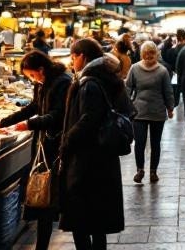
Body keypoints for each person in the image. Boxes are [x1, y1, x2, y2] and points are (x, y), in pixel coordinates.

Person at [0, 51, 72, 250]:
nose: (32, 79)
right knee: (43, 198)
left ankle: (45, 241)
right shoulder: (42, 83)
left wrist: (28, 125)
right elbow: (34, 107)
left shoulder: (62, 82)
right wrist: (2, 122)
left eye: (32, 75)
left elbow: (58, 115)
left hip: (56, 146)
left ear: (41, 69)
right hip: (43, 145)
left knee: (49, 196)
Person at [59, 38, 130, 250]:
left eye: (73, 57)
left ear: (82, 56)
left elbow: (89, 119)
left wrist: (67, 140)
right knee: (98, 220)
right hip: (102, 159)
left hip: (86, 160)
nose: (72, 62)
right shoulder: (105, 77)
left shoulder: (89, 83)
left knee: (79, 218)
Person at [125, 41, 174, 184]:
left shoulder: (162, 71)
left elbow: (168, 91)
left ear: (156, 54)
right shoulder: (134, 68)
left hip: (157, 112)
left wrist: (170, 108)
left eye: (151, 53)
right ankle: (140, 170)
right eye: (146, 53)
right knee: (139, 143)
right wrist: (127, 105)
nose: (148, 56)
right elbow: (128, 88)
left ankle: (153, 171)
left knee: (155, 143)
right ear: (141, 54)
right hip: (139, 112)